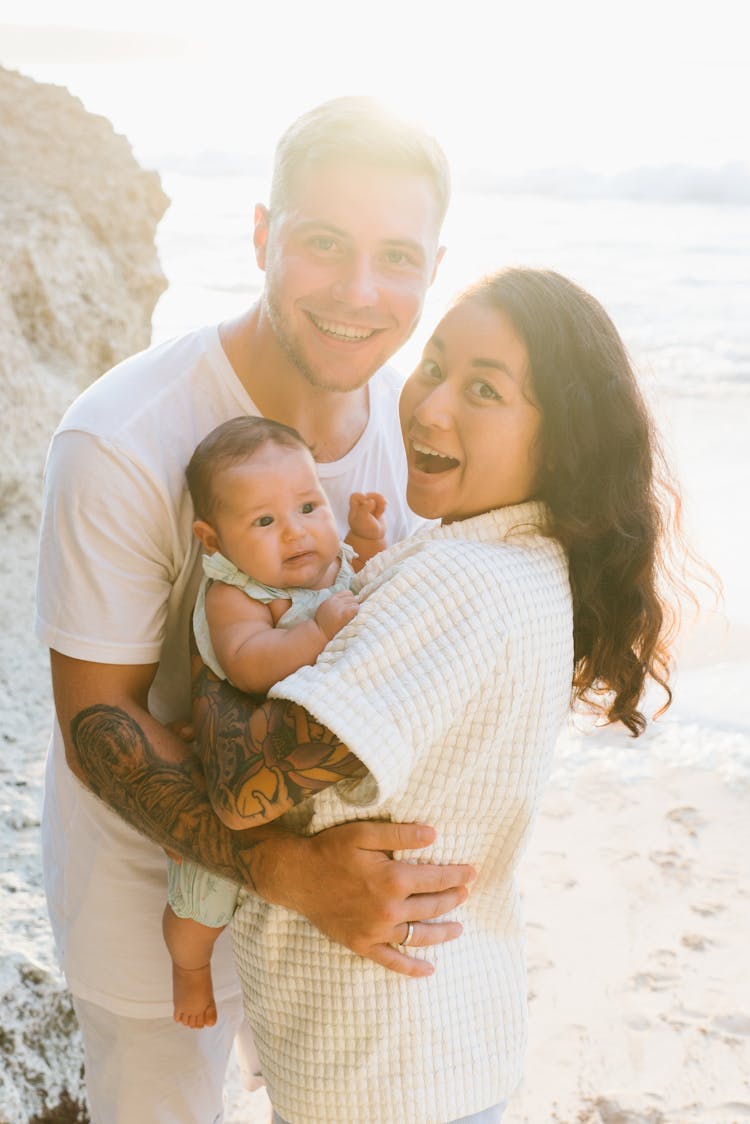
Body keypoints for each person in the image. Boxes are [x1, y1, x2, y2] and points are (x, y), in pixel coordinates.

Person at [35, 96, 477, 1123]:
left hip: (336, 921)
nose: (361, 291)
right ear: (262, 235)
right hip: (147, 916)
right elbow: (97, 725)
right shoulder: (121, 439)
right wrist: (295, 869)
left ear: (436, 266)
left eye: (397, 256)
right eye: (323, 243)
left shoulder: (422, 443)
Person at [189, 267, 686, 1123]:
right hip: (432, 1046)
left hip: (382, 1070)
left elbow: (241, 791)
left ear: (560, 442)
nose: (428, 405)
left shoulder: (463, 579)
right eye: (435, 364)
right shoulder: (518, 562)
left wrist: (217, 656)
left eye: (484, 389)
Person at [164, 415, 387, 1029]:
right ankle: (189, 970)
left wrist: (366, 541)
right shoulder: (236, 594)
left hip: (294, 783)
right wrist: (317, 632)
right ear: (212, 540)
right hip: (230, 788)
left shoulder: (326, 561)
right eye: (264, 521)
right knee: (202, 897)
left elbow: (361, 579)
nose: (296, 532)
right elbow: (247, 665)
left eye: (310, 506)